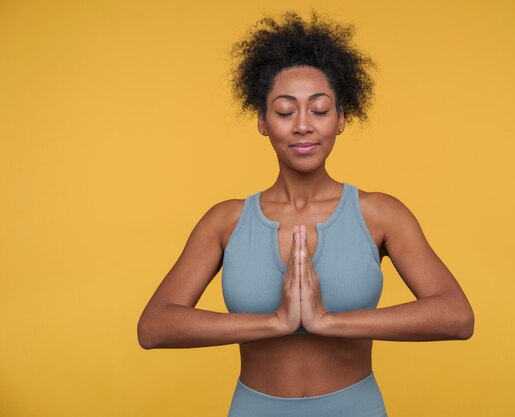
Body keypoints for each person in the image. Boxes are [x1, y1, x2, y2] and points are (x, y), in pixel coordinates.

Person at [137, 10, 474, 417]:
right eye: (284, 111)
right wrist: (275, 322)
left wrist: (326, 321)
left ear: (342, 119)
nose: (302, 126)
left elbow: (456, 317)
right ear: (262, 121)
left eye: (319, 110)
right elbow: (154, 327)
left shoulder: (380, 214)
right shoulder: (225, 222)